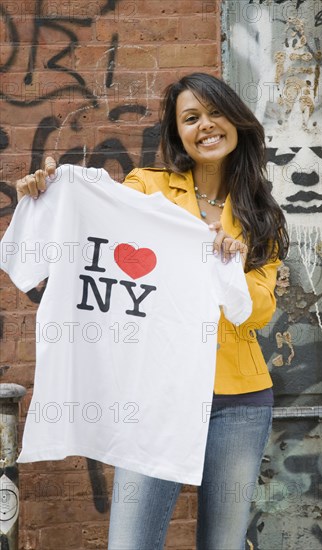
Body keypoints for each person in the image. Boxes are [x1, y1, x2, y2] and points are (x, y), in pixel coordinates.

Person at [15, 73, 288, 550]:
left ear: (237, 122)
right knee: (130, 543)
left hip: (239, 403)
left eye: (216, 113)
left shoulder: (260, 213)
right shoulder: (147, 189)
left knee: (222, 545)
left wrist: (230, 268)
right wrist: (51, 198)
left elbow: (258, 311)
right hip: (153, 400)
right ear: (177, 131)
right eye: (191, 117)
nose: (206, 125)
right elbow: (94, 226)